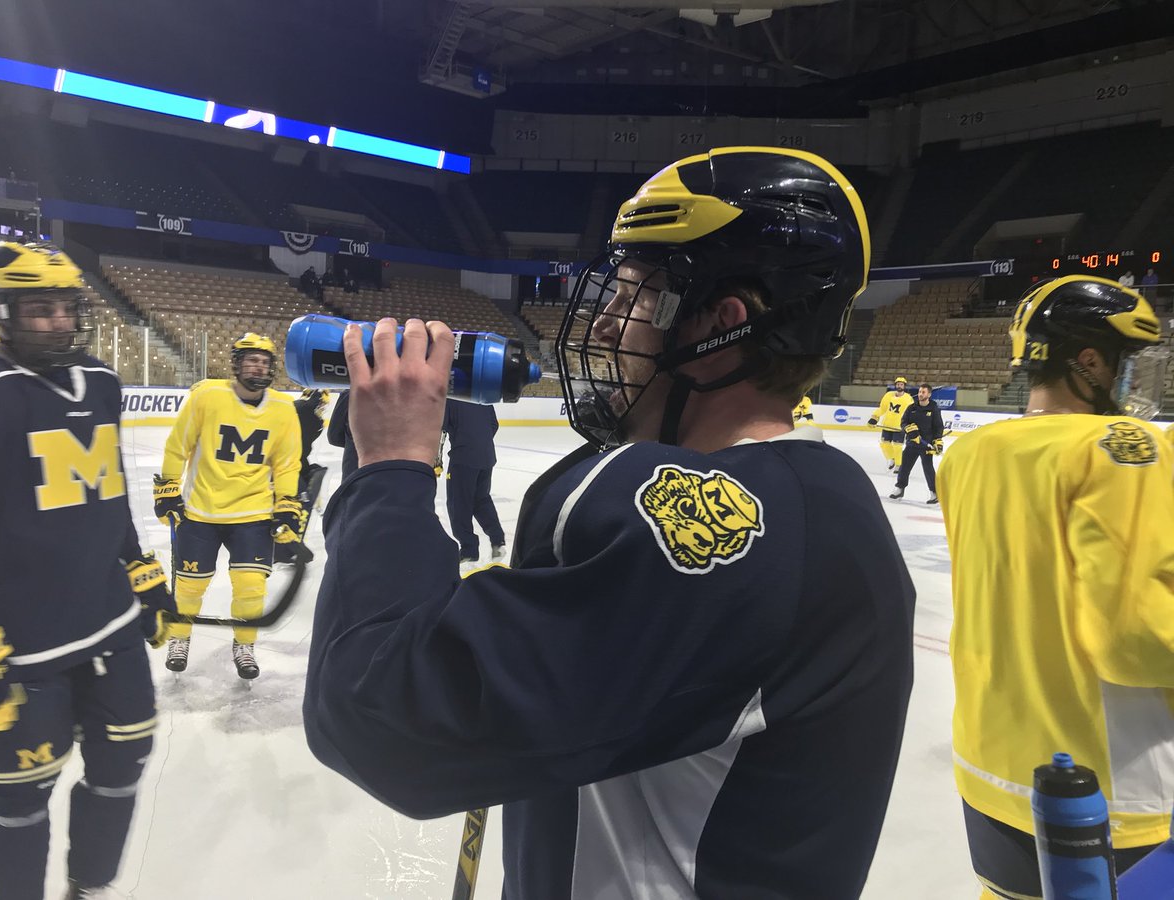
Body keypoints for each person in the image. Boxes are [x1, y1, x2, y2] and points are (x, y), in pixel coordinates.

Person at [303, 147, 915, 898]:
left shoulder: (737, 521)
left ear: (720, 326)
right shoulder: (818, 503)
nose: (600, 329)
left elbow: (380, 711)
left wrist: (391, 467)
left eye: (632, 299)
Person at [937, 274, 1174, 899]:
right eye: (1122, 365)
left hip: (991, 761)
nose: (1126, 381)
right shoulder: (1125, 448)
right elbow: (1137, 638)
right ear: (1089, 361)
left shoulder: (968, 453)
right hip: (1112, 784)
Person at [0, 241, 177, 899]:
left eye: (68, 307)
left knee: (121, 772)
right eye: (41, 310)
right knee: (18, 806)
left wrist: (139, 567)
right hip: (20, 653)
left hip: (110, 629)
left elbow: (107, 489)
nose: (60, 321)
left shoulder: (102, 382)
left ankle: (88, 889)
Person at [153, 333, 303, 680]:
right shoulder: (207, 396)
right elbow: (178, 447)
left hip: (253, 514)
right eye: (251, 360)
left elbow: (287, 464)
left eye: (264, 362)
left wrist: (286, 504)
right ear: (235, 364)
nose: (258, 366)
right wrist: (168, 490)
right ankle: (180, 638)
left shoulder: (283, 409)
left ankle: (245, 645)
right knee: (190, 587)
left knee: (251, 588)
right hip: (200, 511)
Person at [441, 399, 506, 571]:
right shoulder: (482, 397)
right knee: (481, 499)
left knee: (458, 502)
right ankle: (497, 540)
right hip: (486, 456)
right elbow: (493, 424)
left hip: (463, 458)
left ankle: (469, 549)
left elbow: (440, 427)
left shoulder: (449, 400)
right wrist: (479, 441)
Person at [274, 388, 331, 563]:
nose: (323, 408)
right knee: (296, 503)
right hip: (286, 465)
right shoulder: (308, 412)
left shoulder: (296, 407)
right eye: (322, 404)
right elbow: (300, 445)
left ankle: (284, 546)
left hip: (284, 462)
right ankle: (285, 549)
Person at [888, 382, 944, 503]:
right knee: (904, 467)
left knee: (928, 468)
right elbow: (903, 422)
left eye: (923, 392)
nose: (920, 394)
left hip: (926, 445)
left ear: (929, 394)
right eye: (919, 392)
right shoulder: (911, 408)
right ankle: (899, 488)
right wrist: (908, 429)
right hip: (912, 444)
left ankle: (934, 493)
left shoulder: (934, 409)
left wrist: (938, 441)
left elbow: (938, 427)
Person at [867, 376, 913, 473]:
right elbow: (882, 408)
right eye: (898, 384)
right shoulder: (888, 395)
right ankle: (892, 458)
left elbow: (911, 413)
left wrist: (910, 424)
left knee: (897, 446)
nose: (899, 386)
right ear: (895, 385)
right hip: (887, 424)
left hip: (899, 427)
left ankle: (898, 465)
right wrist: (874, 417)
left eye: (901, 384)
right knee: (884, 444)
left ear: (904, 386)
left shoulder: (908, 399)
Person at [326, 388, 357, 478]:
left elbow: (334, 437)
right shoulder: (398, 393)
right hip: (394, 475)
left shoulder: (350, 394)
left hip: (355, 474)